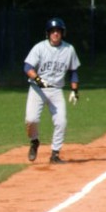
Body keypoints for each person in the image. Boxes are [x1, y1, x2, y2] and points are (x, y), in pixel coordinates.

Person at [24, 17, 81, 164]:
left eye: (58, 31)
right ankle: (34, 141)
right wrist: (39, 81)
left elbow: (73, 72)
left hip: (56, 90)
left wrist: (75, 91)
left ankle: (55, 154)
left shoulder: (69, 49)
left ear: (63, 33)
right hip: (38, 88)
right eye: (52, 31)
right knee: (31, 119)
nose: (55, 34)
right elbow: (27, 67)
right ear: (48, 33)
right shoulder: (40, 47)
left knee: (61, 121)